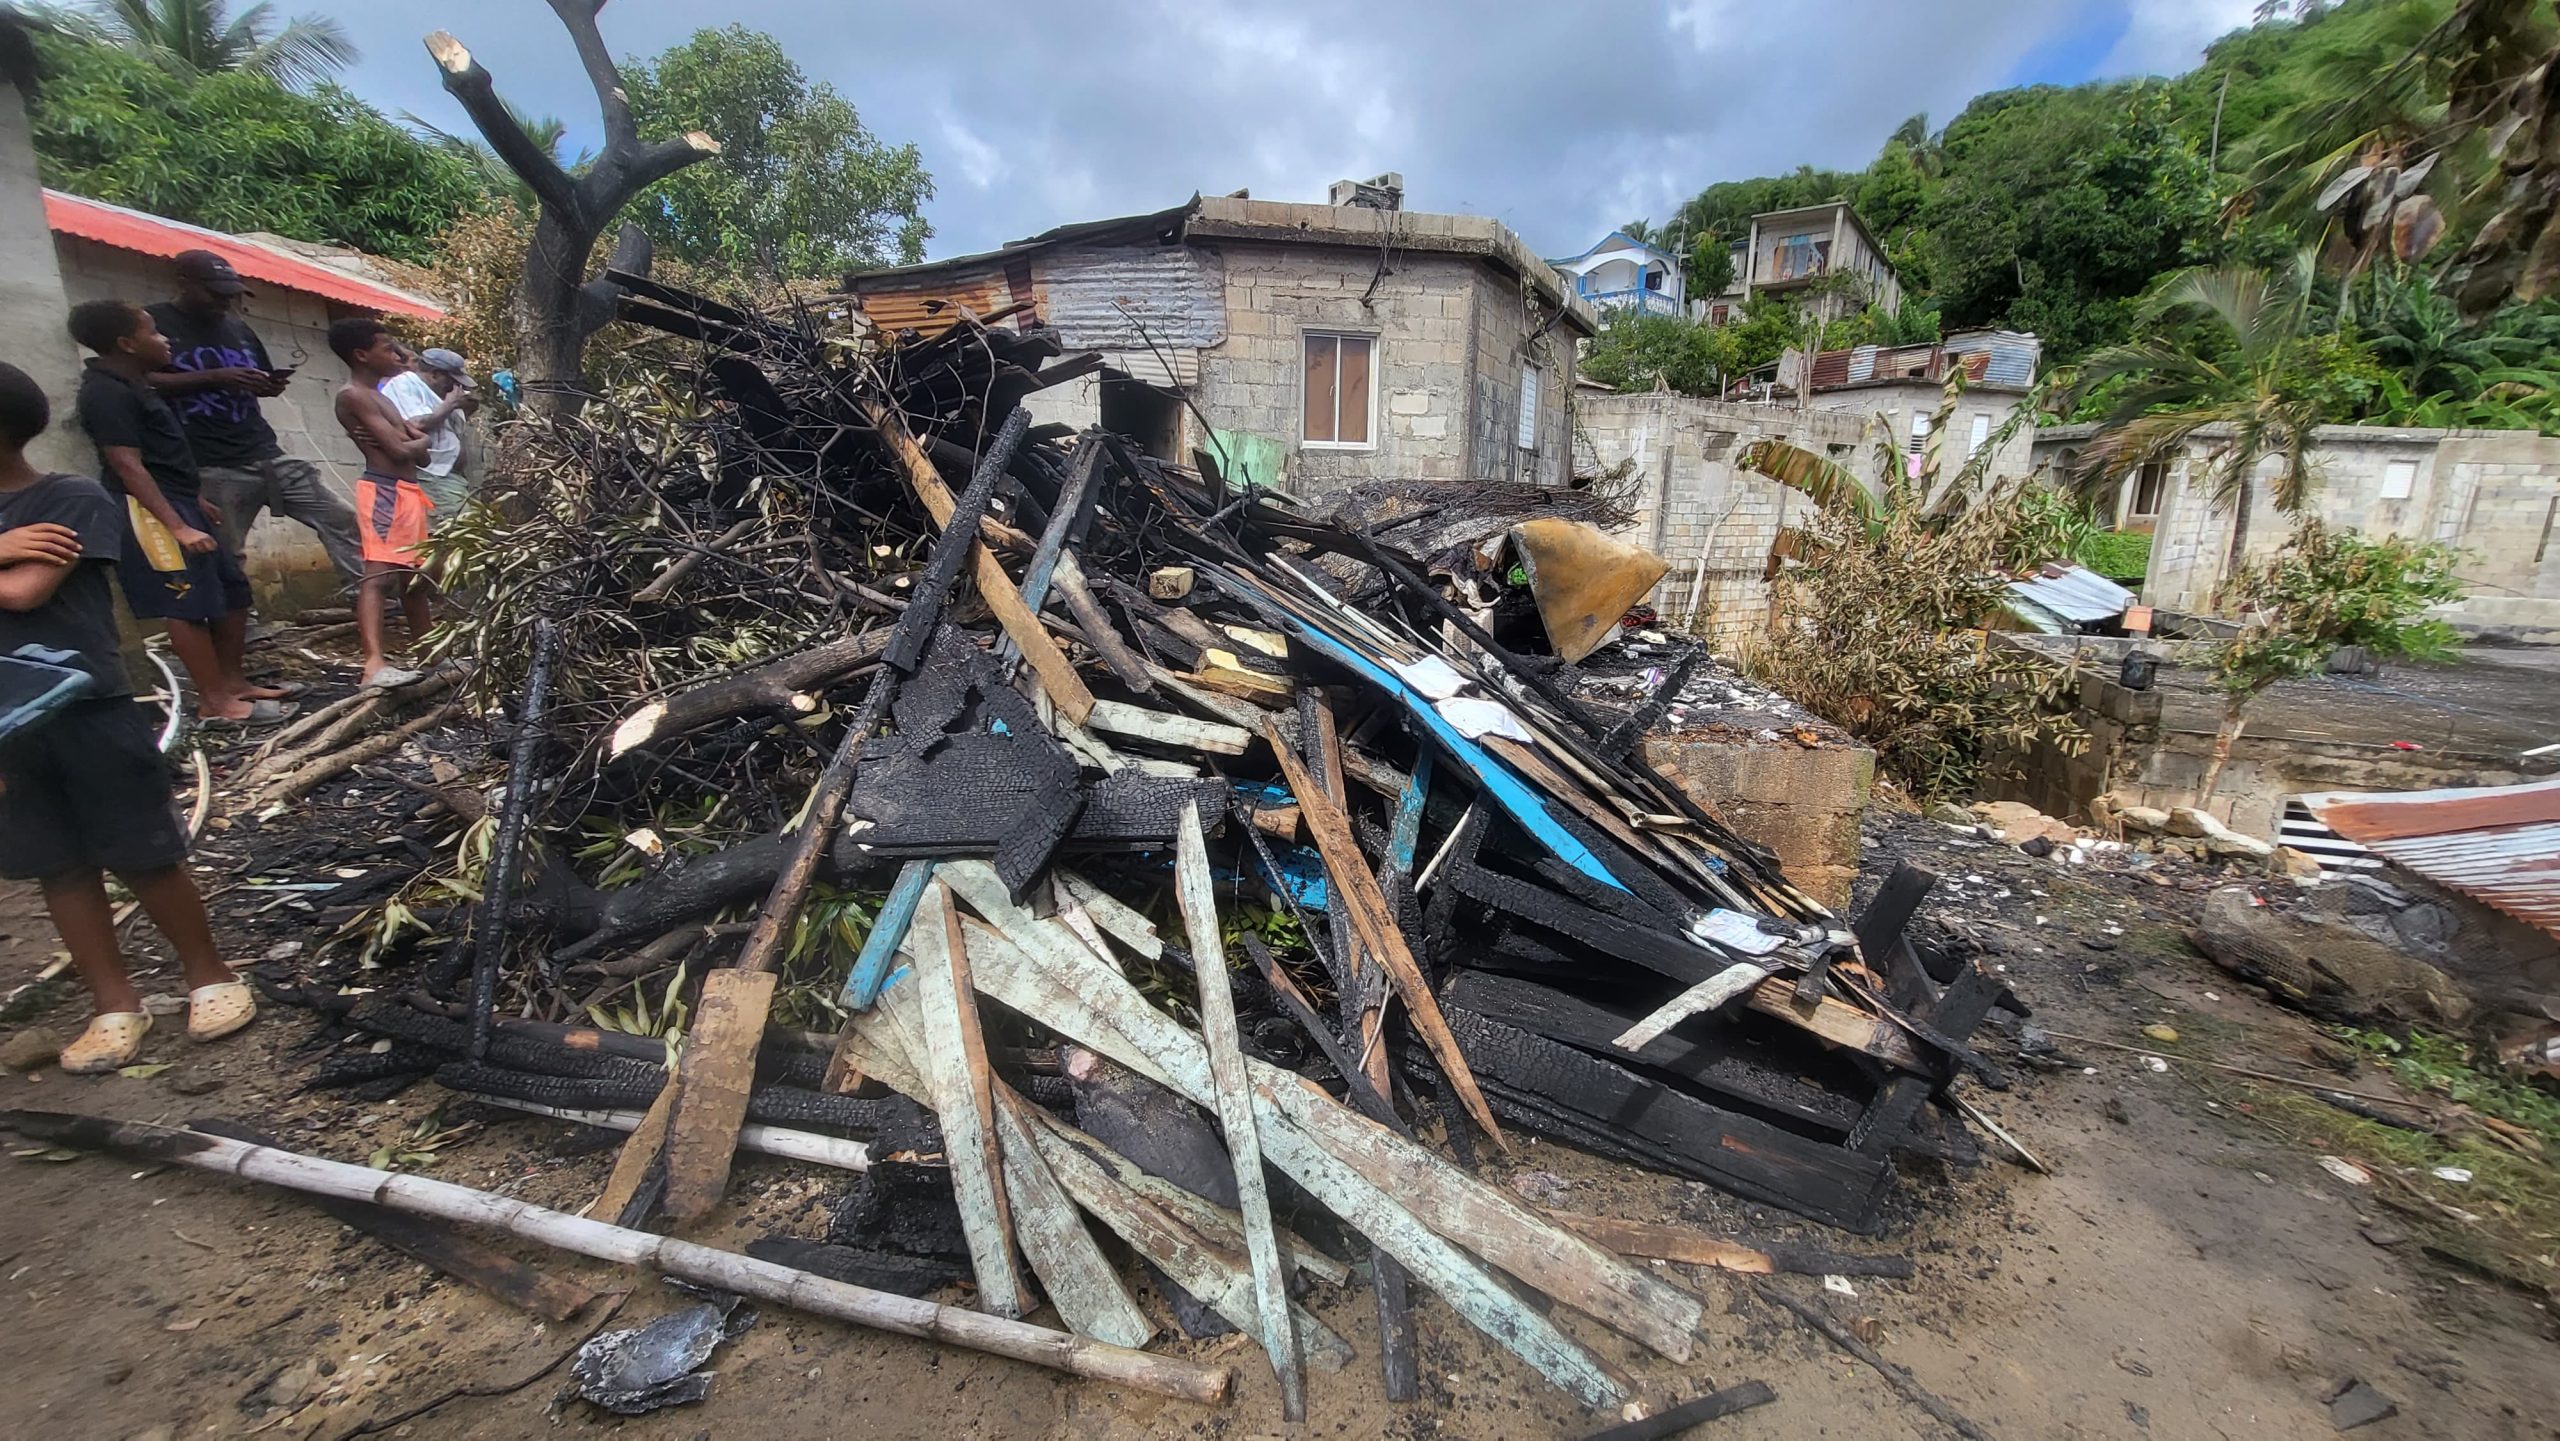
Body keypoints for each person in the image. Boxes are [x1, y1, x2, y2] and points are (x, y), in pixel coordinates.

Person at [0, 360, 255, 1073]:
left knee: (144, 851)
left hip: (88, 709)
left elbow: (23, 593)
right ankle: (114, 1004)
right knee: (57, 865)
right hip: (7, 729)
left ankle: (208, 974)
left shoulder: (70, 497)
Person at [69, 299, 295, 726]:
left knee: (233, 591)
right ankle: (214, 702)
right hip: (149, 511)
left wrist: (194, 501)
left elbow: (163, 458)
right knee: (185, 601)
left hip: (181, 500)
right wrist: (176, 525)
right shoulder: (106, 392)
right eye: (154, 332)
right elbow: (127, 465)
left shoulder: (139, 385)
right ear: (126, 343)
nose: (166, 339)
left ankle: (233, 683)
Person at [147, 249, 364, 595]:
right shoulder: (154, 325)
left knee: (340, 518)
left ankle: (367, 598)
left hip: (264, 450)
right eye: (215, 293)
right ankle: (237, 619)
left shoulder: (238, 328)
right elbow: (139, 380)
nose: (225, 301)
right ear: (184, 283)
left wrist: (268, 385)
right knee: (225, 550)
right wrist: (215, 377)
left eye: (231, 294)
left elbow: (255, 376)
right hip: (208, 460)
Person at [330, 316, 435, 688]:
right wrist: (415, 439)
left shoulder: (382, 397)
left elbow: (421, 456)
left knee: (414, 580)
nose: (398, 355)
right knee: (378, 577)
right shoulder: (353, 396)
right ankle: (373, 665)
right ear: (361, 355)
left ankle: (430, 656)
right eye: (388, 348)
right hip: (385, 491)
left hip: (408, 492)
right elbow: (400, 449)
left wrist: (415, 440)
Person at [379, 346, 479, 533]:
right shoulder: (405, 384)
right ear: (435, 374)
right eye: (451, 381)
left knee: (466, 529)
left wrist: (464, 405)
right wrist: (450, 404)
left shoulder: (437, 393)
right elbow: (416, 424)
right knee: (463, 530)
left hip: (448, 474)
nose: (456, 388)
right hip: (432, 474)